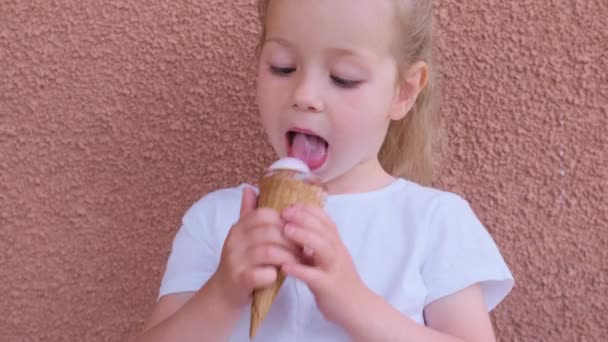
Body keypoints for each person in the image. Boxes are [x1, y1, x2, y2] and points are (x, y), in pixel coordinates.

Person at [134, 0, 514, 341]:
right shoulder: (217, 221)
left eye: (344, 77)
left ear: (403, 92)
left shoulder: (436, 223)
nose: (304, 95)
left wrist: (354, 303)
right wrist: (222, 293)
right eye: (282, 67)